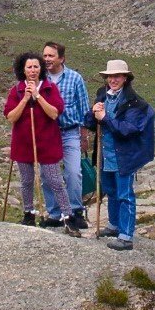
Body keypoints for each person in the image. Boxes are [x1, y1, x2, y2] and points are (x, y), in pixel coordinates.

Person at [3, 52, 80, 236]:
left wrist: (37, 96)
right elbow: (11, 117)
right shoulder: (16, 90)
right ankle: (28, 213)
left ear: (41, 69)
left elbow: (54, 113)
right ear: (23, 70)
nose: (33, 70)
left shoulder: (50, 88)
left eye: (36, 66)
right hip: (23, 143)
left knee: (55, 181)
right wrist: (24, 99)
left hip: (47, 142)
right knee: (26, 181)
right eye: (29, 67)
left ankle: (68, 217)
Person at [84, 60, 155, 251]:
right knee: (110, 190)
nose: (112, 80)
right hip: (105, 155)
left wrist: (105, 118)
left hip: (124, 157)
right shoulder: (102, 95)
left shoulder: (135, 103)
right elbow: (90, 124)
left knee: (125, 195)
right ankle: (114, 225)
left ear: (125, 78)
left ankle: (126, 236)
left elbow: (127, 130)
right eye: (110, 76)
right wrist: (93, 113)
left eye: (116, 76)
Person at [41, 42, 91, 229]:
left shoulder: (75, 78)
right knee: (47, 175)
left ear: (61, 58)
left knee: (73, 172)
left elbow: (84, 109)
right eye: (45, 56)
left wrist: (84, 136)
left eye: (51, 56)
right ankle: (55, 213)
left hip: (70, 132)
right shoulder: (40, 78)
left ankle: (75, 211)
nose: (47, 59)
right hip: (47, 134)